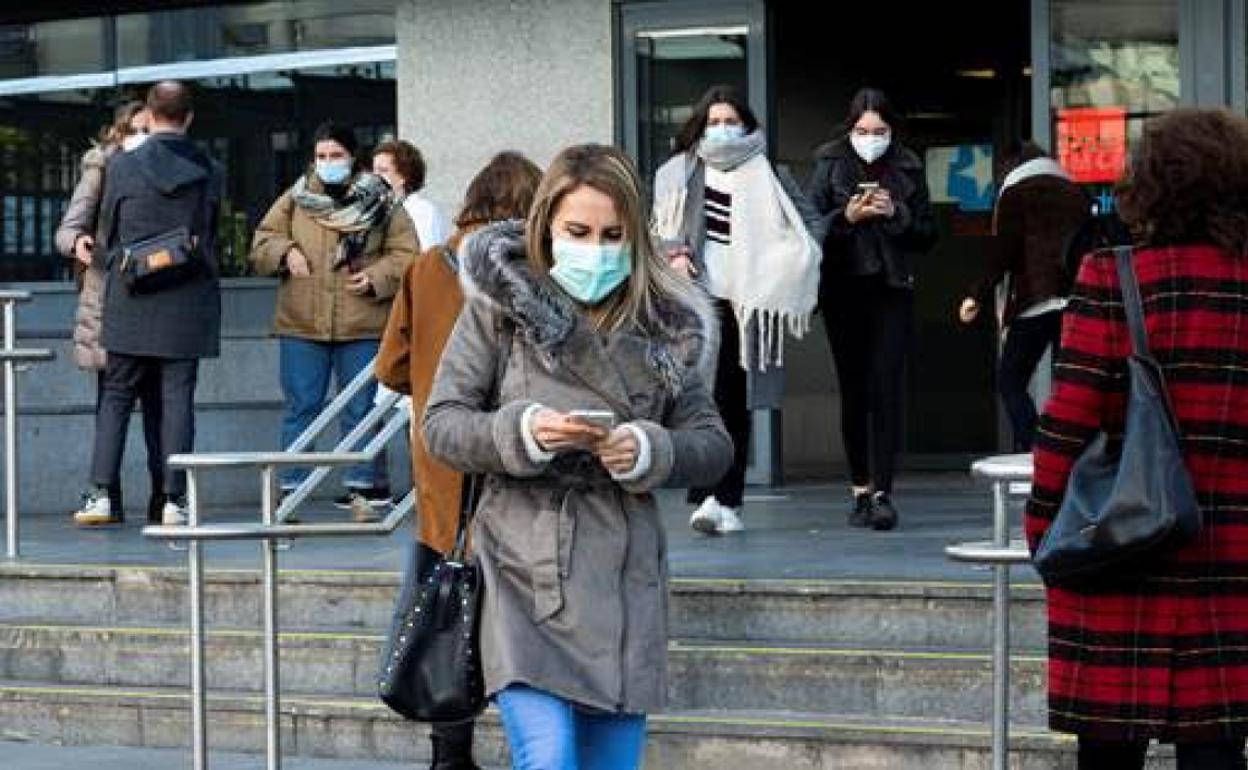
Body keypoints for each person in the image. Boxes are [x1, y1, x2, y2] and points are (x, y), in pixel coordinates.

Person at [423, 144, 733, 770]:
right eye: (578, 231)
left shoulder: (666, 323)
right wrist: (525, 433)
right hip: (521, 565)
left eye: (613, 234)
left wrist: (651, 447)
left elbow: (714, 444)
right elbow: (443, 425)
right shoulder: (499, 308)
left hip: (622, 576)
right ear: (545, 228)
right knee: (549, 759)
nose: (596, 247)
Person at [1025, 108, 1248, 770]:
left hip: (1121, 542)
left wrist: (1046, 530)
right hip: (1233, 545)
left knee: (1109, 745)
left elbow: (1069, 419)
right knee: (1217, 741)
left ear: (1150, 183)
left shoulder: (1112, 276)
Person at [374, 150, 542, 770]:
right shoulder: (531, 266)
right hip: (518, 463)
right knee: (520, 616)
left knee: (445, 606)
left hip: (443, 471)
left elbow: (390, 366)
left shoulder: (427, 266)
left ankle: (450, 752)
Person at [652, 84, 822, 536]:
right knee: (696, 398)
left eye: (731, 122)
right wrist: (674, 251)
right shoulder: (677, 173)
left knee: (732, 400)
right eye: (714, 122)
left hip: (747, 305)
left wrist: (782, 266)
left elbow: (810, 226)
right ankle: (708, 490)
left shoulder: (770, 173)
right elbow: (655, 232)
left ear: (747, 126)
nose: (723, 130)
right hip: (694, 303)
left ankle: (724, 499)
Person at [249, 122, 419, 516]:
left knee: (360, 409)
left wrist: (376, 277)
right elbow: (261, 243)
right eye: (321, 156)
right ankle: (290, 490)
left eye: (335, 156)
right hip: (302, 322)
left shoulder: (383, 201)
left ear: (352, 158)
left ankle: (361, 490)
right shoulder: (296, 198)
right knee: (301, 408)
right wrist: (285, 251)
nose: (327, 163)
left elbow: (409, 255)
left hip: (362, 323)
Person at [73, 81, 221, 527]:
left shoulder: (122, 165)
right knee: (178, 398)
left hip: (131, 294)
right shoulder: (210, 168)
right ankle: (174, 500)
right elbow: (210, 231)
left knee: (116, 395)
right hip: (186, 297)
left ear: (151, 116)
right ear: (189, 117)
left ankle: (100, 494)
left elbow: (109, 229)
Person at [808, 87, 936, 531]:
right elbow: (811, 226)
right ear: (850, 129)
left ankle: (883, 491)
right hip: (844, 288)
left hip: (892, 287)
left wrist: (895, 213)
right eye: (863, 130)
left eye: (879, 130)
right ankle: (859, 488)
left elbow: (927, 233)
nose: (871, 137)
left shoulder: (909, 165)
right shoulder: (828, 163)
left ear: (892, 130)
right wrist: (848, 217)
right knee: (854, 390)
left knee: (886, 389)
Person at [57, 101, 167, 526]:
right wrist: (79, 242)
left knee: (159, 406)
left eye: (148, 129)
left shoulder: (164, 170)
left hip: (154, 297)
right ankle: (106, 494)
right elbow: (68, 227)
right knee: (112, 403)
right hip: (108, 299)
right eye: (134, 130)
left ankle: (164, 496)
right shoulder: (101, 168)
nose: (141, 138)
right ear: (117, 134)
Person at [957, 141, 1090, 451]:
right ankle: (1068, 451)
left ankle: (1033, 447)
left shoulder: (1017, 193)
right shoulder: (1076, 193)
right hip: (1077, 299)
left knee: (1011, 379)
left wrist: (977, 293)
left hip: (1035, 301)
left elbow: (1004, 250)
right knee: (1067, 386)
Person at [372, 139, 452, 250]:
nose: (374, 176)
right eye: (374, 170)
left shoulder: (423, 211)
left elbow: (428, 258)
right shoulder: (378, 211)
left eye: (383, 170)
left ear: (403, 176)